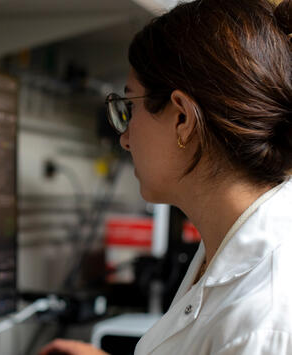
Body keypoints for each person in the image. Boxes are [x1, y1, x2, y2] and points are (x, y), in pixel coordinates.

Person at [39, 0, 292, 354]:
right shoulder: (227, 240)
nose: (124, 138)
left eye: (129, 108)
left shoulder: (260, 324)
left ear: (182, 119)